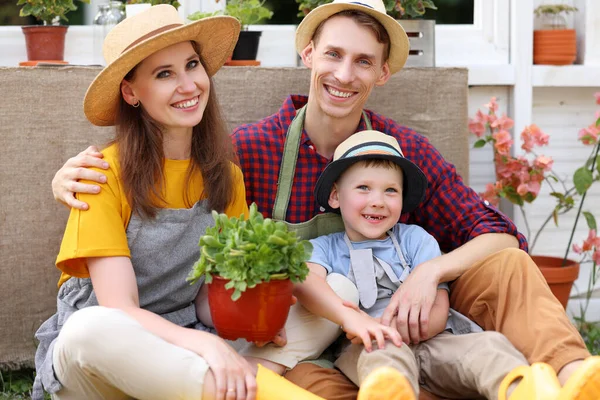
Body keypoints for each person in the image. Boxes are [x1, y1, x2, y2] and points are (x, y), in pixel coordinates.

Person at [49, 0, 600, 398]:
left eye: (363, 61)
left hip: (400, 321)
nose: (344, 73)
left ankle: (573, 374)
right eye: (333, 54)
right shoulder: (249, 151)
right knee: (314, 326)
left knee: (499, 262)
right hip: (301, 347)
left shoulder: (402, 150)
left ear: (382, 73)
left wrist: (426, 276)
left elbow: (501, 233)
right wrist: (70, 179)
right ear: (308, 54)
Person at [32, 6, 334, 400]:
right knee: (89, 328)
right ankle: (256, 388)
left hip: (184, 340)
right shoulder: (100, 174)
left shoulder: (225, 177)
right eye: (164, 74)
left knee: (331, 289)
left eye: (192, 65)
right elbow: (119, 308)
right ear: (131, 92)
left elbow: (211, 297)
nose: (189, 84)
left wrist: (252, 319)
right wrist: (208, 346)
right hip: (104, 361)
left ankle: (222, 380)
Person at [295, 129, 596, 400]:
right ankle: (392, 393)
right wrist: (353, 320)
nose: (378, 201)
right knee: (384, 363)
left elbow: (439, 301)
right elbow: (307, 280)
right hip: (370, 345)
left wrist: (420, 324)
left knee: (489, 347)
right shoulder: (326, 247)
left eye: (391, 191)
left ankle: (528, 390)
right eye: (363, 188)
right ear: (335, 196)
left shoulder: (415, 240)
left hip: (433, 342)